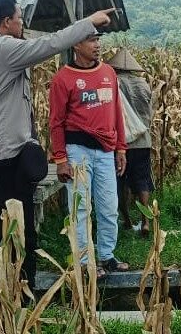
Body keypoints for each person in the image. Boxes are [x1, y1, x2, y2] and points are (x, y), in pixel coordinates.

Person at [0, 0, 114, 290]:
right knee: (14, 230)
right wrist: (88, 22)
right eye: (20, 18)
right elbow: (49, 44)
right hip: (6, 156)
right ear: (7, 22)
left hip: (0, 153)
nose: (23, 23)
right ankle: (17, 293)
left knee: (4, 226)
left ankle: (5, 290)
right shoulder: (3, 49)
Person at [49, 33, 129, 278]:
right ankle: (84, 261)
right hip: (77, 151)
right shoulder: (63, 79)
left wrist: (121, 148)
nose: (97, 45)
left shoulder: (108, 73)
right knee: (81, 207)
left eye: (98, 40)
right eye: (91, 40)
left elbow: (117, 112)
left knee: (109, 206)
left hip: (105, 150)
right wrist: (61, 159)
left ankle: (107, 256)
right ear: (76, 44)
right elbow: (56, 122)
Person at [107, 48, 154, 237]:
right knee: (142, 180)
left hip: (120, 144)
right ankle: (145, 222)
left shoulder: (112, 83)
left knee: (120, 182)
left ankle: (126, 220)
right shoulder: (143, 84)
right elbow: (150, 113)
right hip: (143, 141)